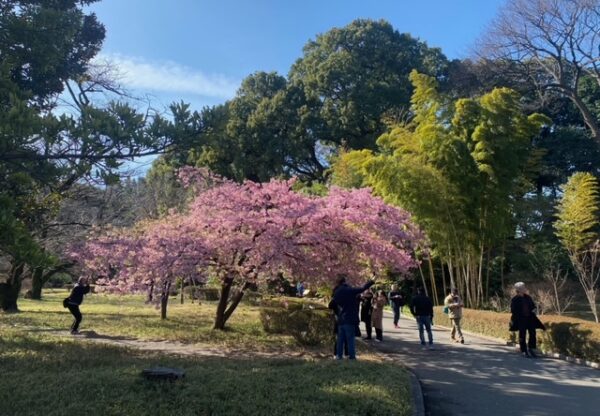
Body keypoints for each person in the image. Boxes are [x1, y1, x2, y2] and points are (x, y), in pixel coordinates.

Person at [332, 275, 375, 359]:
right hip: (350, 318)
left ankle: (338, 356)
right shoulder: (349, 290)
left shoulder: (336, 292)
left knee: (340, 340)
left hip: (341, 318)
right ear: (345, 281)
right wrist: (371, 281)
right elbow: (362, 288)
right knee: (350, 339)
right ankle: (352, 357)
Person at [510, 282, 545, 358]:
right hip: (521, 319)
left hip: (530, 318)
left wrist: (534, 309)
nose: (525, 288)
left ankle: (531, 349)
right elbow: (513, 310)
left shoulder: (528, 297)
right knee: (522, 334)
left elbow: (532, 306)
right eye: (523, 287)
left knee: (532, 333)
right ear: (519, 289)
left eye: (524, 287)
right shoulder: (515, 299)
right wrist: (518, 316)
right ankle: (524, 350)